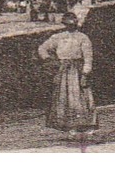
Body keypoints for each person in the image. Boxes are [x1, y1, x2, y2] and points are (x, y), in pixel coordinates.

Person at [38, 11, 97, 140]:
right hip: (63, 70)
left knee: (81, 97)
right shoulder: (58, 37)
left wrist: (86, 73)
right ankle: (70, 128)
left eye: (73, 23)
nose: (70, 26)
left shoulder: (83, 38)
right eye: (67, 24)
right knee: (64, 99)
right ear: (64, 24)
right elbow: (42, 48)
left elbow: (88, 57)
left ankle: (87, 126)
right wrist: (49, 60)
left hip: (78, 69)